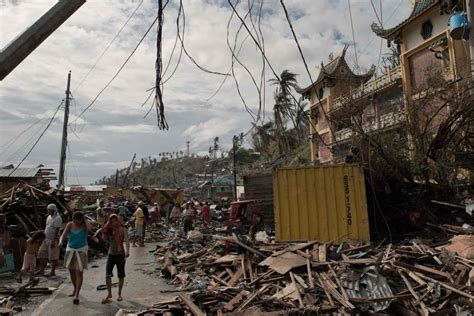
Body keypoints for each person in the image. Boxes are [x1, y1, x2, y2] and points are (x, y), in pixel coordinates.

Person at [59, 211, 92, 305]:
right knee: (71, 270)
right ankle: (75, 288)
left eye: (79, 220)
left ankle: (77, 294)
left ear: (82, 220)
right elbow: (63, 235)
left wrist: (85, 220)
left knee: (79, 271)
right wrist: (61, 241)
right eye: (75, 220)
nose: (77, 223)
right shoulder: (69, 225)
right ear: (73, 219)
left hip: (82, 250)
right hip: (71, 249)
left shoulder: (85, 225)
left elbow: (90, 229)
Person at [101, 214, 129, 304]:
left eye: (115, 220)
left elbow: (127, 241)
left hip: (120, 255)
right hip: (111, 254)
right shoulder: (109, 230)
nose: (113, 223)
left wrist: (127, 251)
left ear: (118, 220)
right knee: (107, 275)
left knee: (121, 275)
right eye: (111, 221)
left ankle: (119, 294)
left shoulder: (123, 230)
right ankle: (109, 294)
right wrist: (104, 231)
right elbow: (104, 239)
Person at [37, 203, 62, 276]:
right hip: (46, 239)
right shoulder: (48, 217)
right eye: (47, 210)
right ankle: (42, 270)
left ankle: (52, 272)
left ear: (53, 210)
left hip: (53, 240)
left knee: (54, 257)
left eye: (49, 210)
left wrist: (54, 241)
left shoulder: (58, 218)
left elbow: (57, 230)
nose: (48, 211)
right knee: (41, 254)